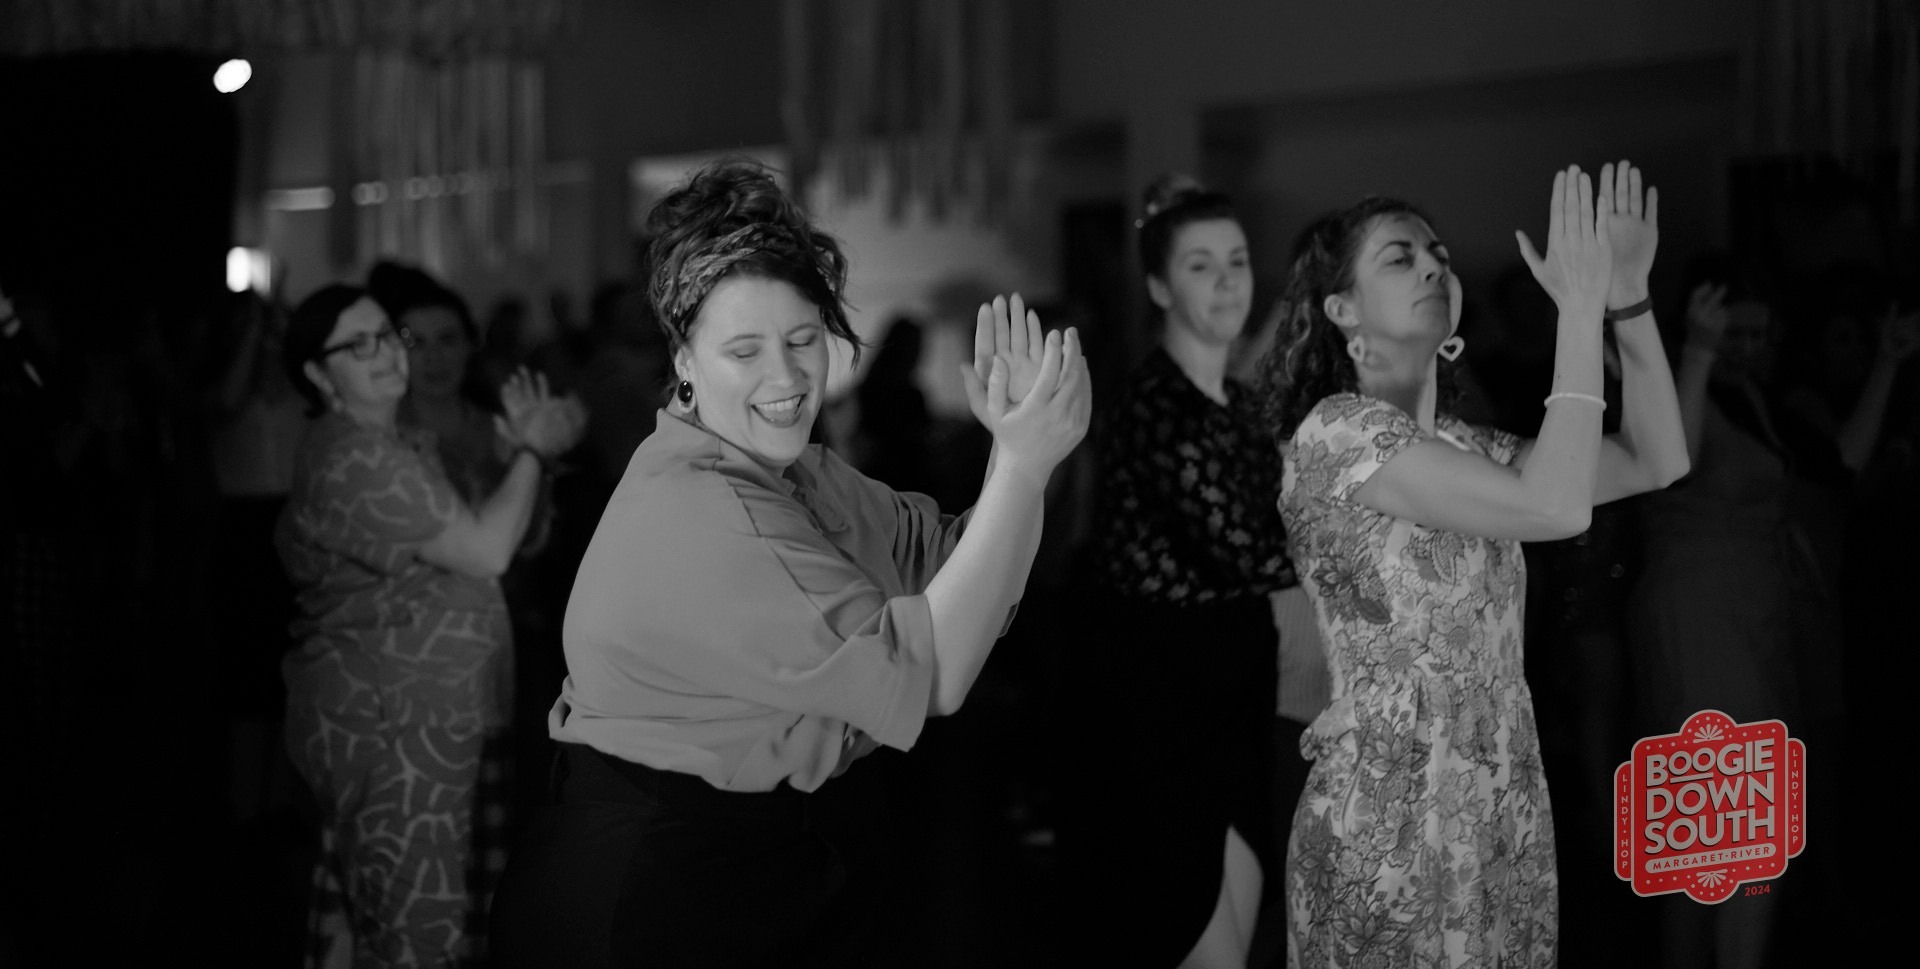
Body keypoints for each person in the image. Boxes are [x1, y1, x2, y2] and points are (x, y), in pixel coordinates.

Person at [486, 158, 1090, 969]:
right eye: (744, 350)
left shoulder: (797, 468)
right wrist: (1020, 465)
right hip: (651, 887)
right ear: (685, 361)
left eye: (803, 340)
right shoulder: (700, 508)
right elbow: (937, 671)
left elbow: (954, 563)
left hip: (768, 852)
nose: (785, 376)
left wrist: (1021, 450)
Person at [1258, 162, 1688, 967]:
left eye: (1440, 255)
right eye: (1400, 256)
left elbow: (1656, 458)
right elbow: (1553, 507)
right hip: (1391, 803)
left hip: (1495, 789)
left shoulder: (1465, 445)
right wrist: (1577, 310)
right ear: (1342, 310)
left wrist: (1627, 299)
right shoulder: (1337, 432)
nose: (1432, 266)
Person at [275, 283, 585, 968]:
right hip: (394, 725)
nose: (386, 352)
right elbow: (486, 551)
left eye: (387, 335)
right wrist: (533, 451)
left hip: (420, 714)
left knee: (404, 917)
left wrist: (525, 456)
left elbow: (507, 543)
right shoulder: (355, 455)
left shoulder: (387, 441)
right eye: (359, 345)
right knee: (415, 930)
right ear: (320, 375)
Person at [1053, 174, 1293, 969]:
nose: (1227, 281)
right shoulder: (1156, 404)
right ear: (1159, 285)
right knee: (1191, 934)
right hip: (1163, 705)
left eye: (1237, 261)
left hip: (1235, 689)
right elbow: (1250, 551)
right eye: (1200, 265)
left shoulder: (1235, 403)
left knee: (1235, 934)